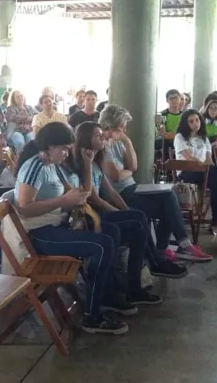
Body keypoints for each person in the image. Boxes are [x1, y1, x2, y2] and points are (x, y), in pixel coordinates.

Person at [13, 123, 126, 334]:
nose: (66, 153)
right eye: (63, 148)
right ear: (49, 147)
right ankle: (92, 315)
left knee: (111, 232)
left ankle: (101, 294)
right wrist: (64, 200)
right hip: (38, 234)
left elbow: (77, 192)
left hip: (55, 223)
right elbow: (24, 208)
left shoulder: (53, 165)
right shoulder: (35, 166)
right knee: (102, 246)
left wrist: (84, 174)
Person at [99, 104, 211, 267]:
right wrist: (127, 171)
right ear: (114, 125)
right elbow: (115, 176)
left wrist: (127, 141)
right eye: (123, 125)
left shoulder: (119, 142)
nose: (125, 128)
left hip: (132, 187)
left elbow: (134, 166)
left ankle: (167, 249)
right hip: (120, 194)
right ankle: (177, 247)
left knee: (169, 195)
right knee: (168, 204)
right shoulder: (103, 145)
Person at [67, 122, 163, 310]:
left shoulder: (96, 161)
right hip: (91, 217)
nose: (102, 138)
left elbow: (110, 192)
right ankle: (152, 267)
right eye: (97, 135)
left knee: (138, 221)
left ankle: (135, 285)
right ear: (86, 139)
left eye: (102, 135)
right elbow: (94, 198)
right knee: (136, 220)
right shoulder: (82, 163)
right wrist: (121, 213)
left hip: (101, 212)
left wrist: (127, 210)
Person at [174, 110, 217, 235]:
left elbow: (209, 160)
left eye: (197, 120)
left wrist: (209, 168)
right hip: (186, 172)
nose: (195, 123)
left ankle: (215, 221)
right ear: (185, 124)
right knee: (216, 175)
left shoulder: (204, 138)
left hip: (204, 172)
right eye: (191, 121)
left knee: (216, 183)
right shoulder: (180, 137)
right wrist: (207, 167)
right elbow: (189, 158)